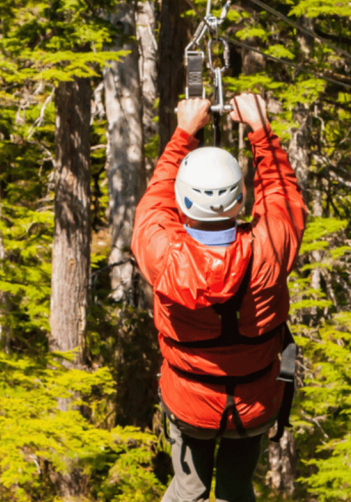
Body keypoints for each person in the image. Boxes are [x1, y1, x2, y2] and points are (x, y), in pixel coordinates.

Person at [131, 93, 307, 502]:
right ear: (240, 199)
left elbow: (153, 206)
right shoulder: (269, 250)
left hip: (190, 404)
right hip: (254, 402)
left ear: (182, 199)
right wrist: (260, 132)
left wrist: (184, 134)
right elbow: (282, 198)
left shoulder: (163, 256)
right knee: (235, 490)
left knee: (187, 489)